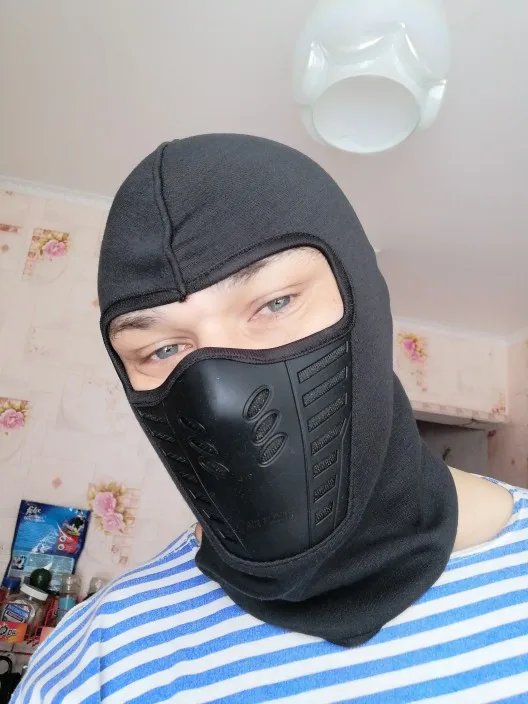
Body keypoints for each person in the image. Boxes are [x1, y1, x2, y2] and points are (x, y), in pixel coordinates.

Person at [14, 135, 528, 703]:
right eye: (163, 350)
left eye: (275, 302)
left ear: (364, 295)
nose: (222, 400)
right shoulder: (91, 667)